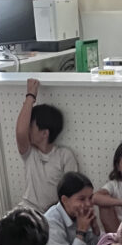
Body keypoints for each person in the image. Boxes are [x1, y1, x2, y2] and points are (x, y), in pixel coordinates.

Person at [15, 77, 78, 212]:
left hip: (52, 213)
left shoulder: (64, 156)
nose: (27, 130)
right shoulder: (30, 152)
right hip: (27, 209)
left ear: (45, 133)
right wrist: (30, 96)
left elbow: (72, 192)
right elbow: (20, 131)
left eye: (31, 126)